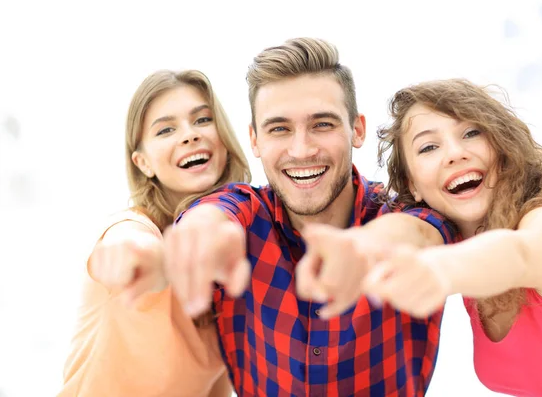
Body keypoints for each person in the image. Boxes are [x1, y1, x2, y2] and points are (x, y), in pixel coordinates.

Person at [163, 38, 459, 396]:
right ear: (255, 140)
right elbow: (209, 218)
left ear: (358, 129)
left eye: (322, 124)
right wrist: (199, 235)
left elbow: (423, 233)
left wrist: (365, 245)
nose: (301, 150)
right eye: (279, 129)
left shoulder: (407, 211)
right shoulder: (242, 212)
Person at [366, 78, 542, 396]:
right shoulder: (466, 241)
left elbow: (521, 255)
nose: (455, 153)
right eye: (429, 147)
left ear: (503, 147)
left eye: (471, 133)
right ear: (414, 185)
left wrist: (436, 270)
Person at [60, 69, 251, 397]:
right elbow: (128, 246)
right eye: (166, 130)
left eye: (202, 120)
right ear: (143, 163)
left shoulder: (234, 258)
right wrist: (146, 259)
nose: (189, 135)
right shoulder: (130, 228)